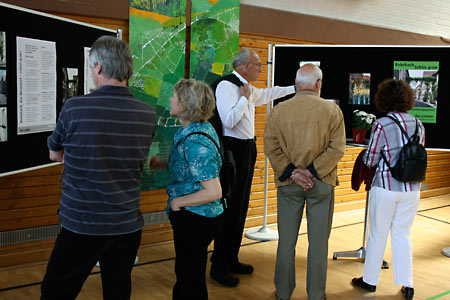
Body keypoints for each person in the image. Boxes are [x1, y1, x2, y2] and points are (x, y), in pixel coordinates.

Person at [41, 36, 156, 300]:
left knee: (55, 292)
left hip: (82, 224)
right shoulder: (147, 114)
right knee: (117, 292)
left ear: (99, 68)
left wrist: (80, 159)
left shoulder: (73, 108)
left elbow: (53, 153)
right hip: (126, 225)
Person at [209, 48, 296, 287]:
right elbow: (228, 120)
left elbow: (268, 94)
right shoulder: (227, 86)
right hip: (232, 151)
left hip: (246, 149)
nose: (261, 69)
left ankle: (231, 258)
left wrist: (295, 89)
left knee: (241, 206)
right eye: (258, 65)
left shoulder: (245, 86)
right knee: (230, 208)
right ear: (245, 65)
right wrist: (245, 97)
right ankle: (219, 265)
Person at [264, 64, 346, 300]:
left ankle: (283, 292)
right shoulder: (332, 111)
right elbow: (337, 149)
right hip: (321, 184)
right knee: (318, 245)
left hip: (288, 184)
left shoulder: (279, 111)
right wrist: (310, 172)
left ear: (297, 83)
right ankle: (316, 294)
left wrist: (293, 172)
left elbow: (271, 146)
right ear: (318, 84)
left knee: (286, 243)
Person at [149, 78, 224, 300]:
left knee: (189, 277)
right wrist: (164, 163)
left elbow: (213, 191)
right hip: (199, 216)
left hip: (196, 217)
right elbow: (195, 168)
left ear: (185, 104)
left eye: (175, 96)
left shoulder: (195, 142)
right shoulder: (198, 129)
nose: (170, 99)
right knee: (189, 273)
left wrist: (177, 203)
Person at [351, 79, 425, 300]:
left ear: (383, 99)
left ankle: (370, 281)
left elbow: (371, 159)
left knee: (377, 234)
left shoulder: (382, 124)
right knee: (403, 234)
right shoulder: (418, 124)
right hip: (412, 188)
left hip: (385, 186)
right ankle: (407, 284)